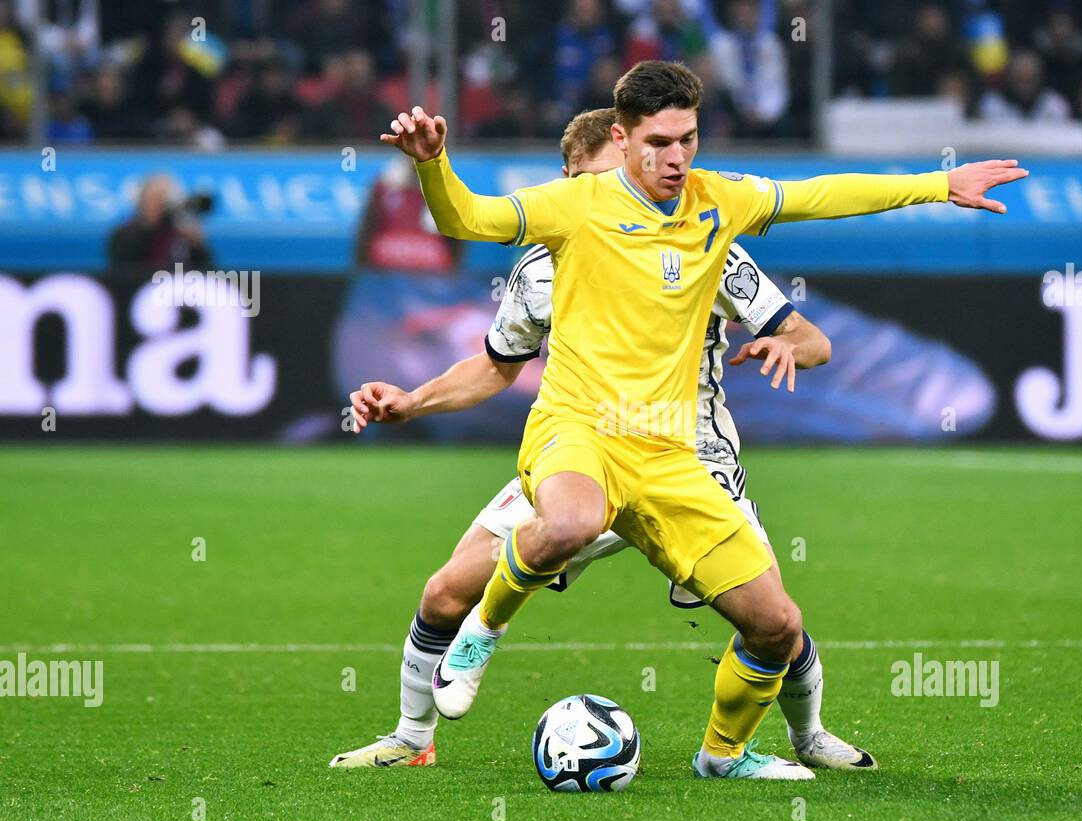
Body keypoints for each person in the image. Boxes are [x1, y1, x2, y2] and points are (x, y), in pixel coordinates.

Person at [377, 60, 1026, 780]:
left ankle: (725, 753)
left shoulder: (718, 203)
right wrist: (435, 165)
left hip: (673, 451)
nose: (677, 156)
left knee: (776, 622)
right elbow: (467, 217)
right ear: (621, 140)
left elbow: (822, 194)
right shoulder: (575, 208)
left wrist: (939, 185)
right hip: (579, 429)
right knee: (565, 522)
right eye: (658, 142)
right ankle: (480, 634)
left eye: (687, 138)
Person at [332, 108, 871, 772]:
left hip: (688, 455)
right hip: (584, 451)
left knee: (770, 618)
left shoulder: (701, 236)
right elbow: (499, 364)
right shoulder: (542, 263)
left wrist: (790, 343)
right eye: (595, 184)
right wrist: (411, 402)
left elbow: (808, 335)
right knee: (449, 589)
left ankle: (800, 735)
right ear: (569, 181)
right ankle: (413, 737)